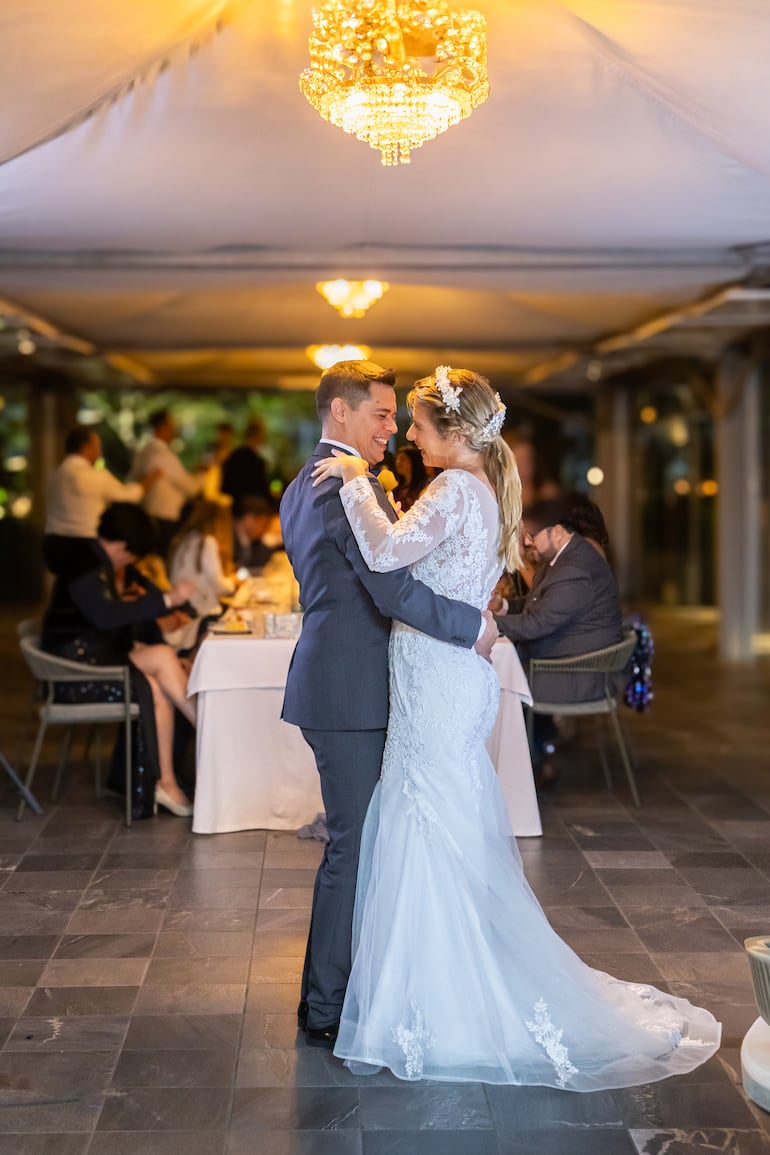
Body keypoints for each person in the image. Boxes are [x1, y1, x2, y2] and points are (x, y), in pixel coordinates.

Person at [312, 366, 720, 1086]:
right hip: (443, 677)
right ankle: (430, 988)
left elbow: (381, 554)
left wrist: (353, 484)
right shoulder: (482, 487)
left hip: (437, 680)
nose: (407, 435)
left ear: (456, 433)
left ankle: (442, 1001)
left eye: (418, 425)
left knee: (428, 822)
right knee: (438, 822)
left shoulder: (450, 489)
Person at [279, 359, 497, 1048]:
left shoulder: (314, 482)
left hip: (353, 682)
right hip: (349, 689)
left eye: (398, 414)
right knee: (353, 846)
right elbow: (390, 590)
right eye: (379, 413)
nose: (391, 428)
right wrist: (473, 627)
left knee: (372, 841)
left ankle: (356, 986)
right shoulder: (335, 486)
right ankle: (325, 1005)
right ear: (339, 412)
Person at [41, 503, 198, 817]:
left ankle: (166, 782)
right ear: (122, 545)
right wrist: (167, 599)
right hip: (75, 669)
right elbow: (104, 617)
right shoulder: (83, 564)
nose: (131, 563)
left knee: (156, 681)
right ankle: (209, 728)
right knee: (163, 660)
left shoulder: (102, 563)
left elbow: (121, 616)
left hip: (98, 656)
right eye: (132, 555)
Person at [43, 426, 159, 576]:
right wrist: (148, 481)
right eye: (97, 447)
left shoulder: (55, 476)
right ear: (86, 448)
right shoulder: (95, 476)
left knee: (65, 587)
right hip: (85, 546)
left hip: (53, 545)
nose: (100, 453)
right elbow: (129, 496)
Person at [129, 410, 202, 555]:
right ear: (163, 426)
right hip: (165, 519)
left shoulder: (143, 452)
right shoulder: (163, 455)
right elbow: (190, 487)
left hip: (148, 515)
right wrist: (202, 477)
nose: (174, 429)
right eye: (172, 424)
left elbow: (133, 478)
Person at [221, 417, 271, 508]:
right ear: (259, 436)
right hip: (251, 507)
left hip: (233, 505)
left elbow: (224, 485)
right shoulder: (256, 462)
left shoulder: (233, 457)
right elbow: (262, 489)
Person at [232, 495, 279, 572]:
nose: (264, 529)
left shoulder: (256, 541)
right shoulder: (229, 539)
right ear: (248, 519)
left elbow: (260, 566)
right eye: (263, 524)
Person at [393, 443, 429, 512]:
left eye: (402, 459)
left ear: (413, 461)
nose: (398, 462)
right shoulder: (397, 490)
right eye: (397, 459)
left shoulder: (424, 488)